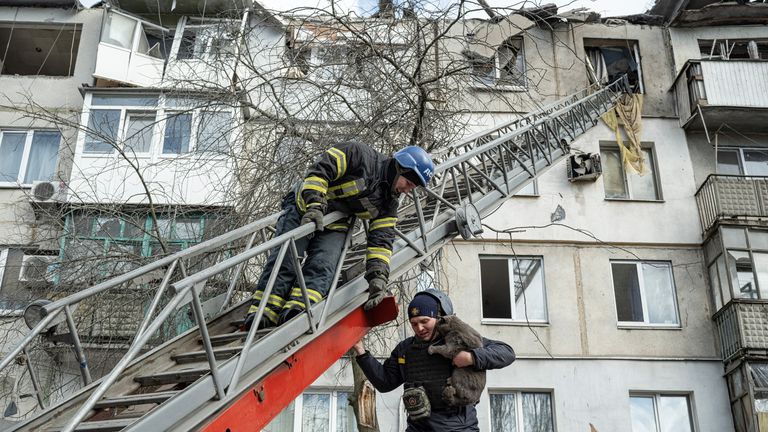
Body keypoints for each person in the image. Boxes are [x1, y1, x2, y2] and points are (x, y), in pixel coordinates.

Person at [243, 142, 435, 330]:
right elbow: (320, 170)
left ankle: (299, 310)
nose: (407, 190)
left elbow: (381, 242)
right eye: (408, 183)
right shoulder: (358, 154)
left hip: (335, 223)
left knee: (323, 265)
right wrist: (315, 205)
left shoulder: (388, 204)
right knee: (286, 259)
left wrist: (378, 278)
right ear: (399, 168)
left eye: (412, 188)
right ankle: (264, 311)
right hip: (304, 208)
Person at [352, 289, 515, 431]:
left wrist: (471, 357)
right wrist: (361, 352)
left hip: (459, 429)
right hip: (418, 428)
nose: (419, 328)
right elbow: (384, 382)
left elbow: (507, 353)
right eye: (414, 323)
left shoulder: (460, 340)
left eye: (424, 321)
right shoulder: (405, 349)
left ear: (440, 317)